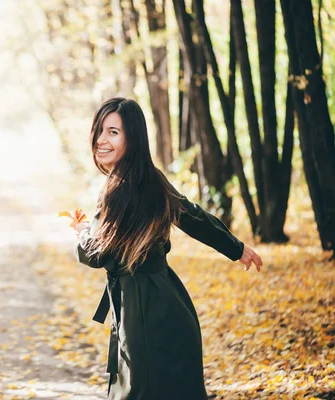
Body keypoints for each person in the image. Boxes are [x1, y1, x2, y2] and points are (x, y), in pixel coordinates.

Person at [72, 97, 263, 400]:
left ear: (132, 140)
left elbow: (97, 254)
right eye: (100, 130)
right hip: (170, 301)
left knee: (139, 391)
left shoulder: (115, 191)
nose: (101, 140)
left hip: (141, 310)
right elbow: (194, 217)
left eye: (113, 132)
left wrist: (82, 231)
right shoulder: (152, 180)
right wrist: (236, 248)